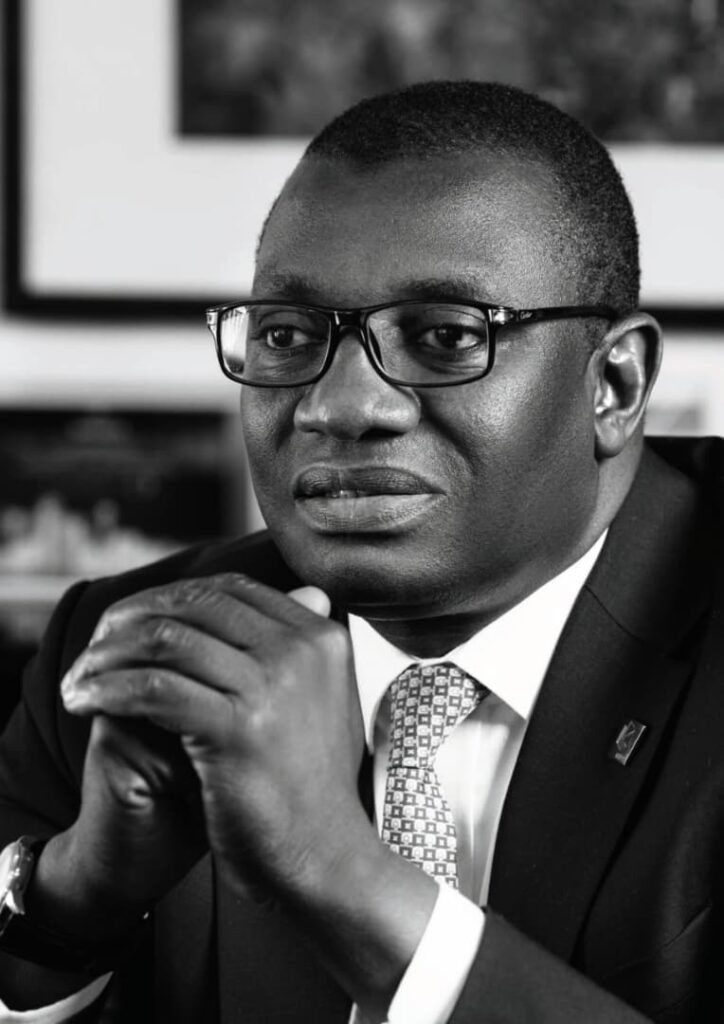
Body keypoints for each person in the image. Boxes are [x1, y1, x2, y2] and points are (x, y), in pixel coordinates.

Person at [0, 80, 722, 1024]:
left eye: (446, 335)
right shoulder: (127, 648)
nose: (340, 405)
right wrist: (72, 904)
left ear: (614, 385)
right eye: (287, 335)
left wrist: (338, 871)